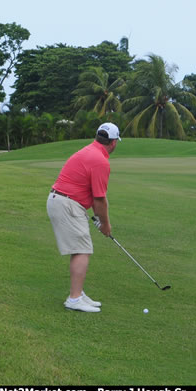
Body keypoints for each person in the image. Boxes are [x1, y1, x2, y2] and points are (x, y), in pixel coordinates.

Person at [47, 123, 121, 312]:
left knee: (81, 248)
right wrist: (105, 224)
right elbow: (99, 200)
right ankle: (74, 299)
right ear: (113, 143)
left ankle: (78, 293)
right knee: (81, 250)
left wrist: (100, 220)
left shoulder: (90, 150)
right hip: (67, 203)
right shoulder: (100, 161)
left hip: (65, 201)